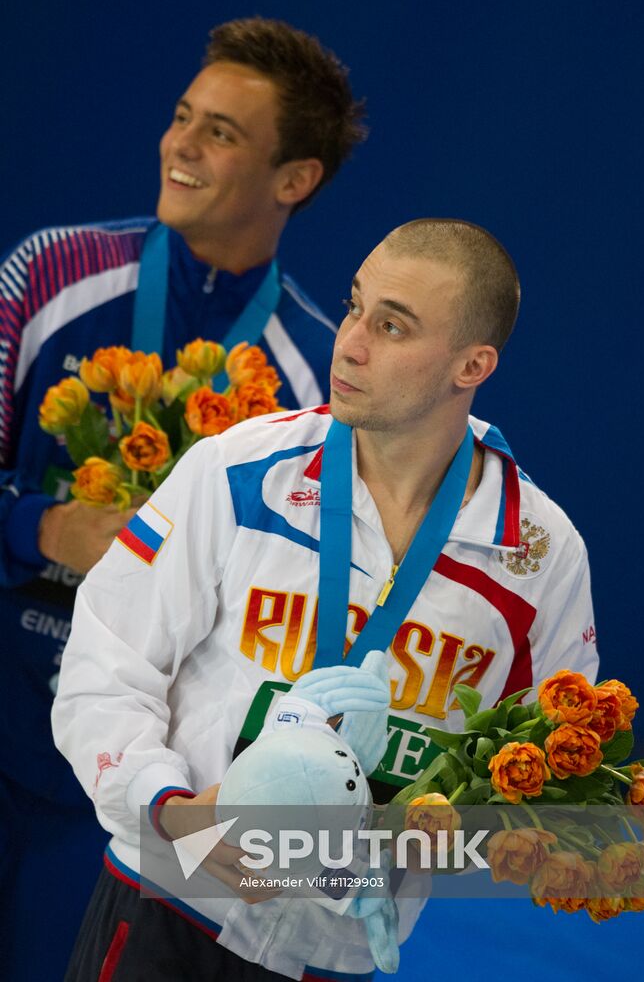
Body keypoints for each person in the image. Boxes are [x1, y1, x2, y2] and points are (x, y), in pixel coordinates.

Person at [53, 219, 599, 981]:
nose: (350, 342)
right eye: (353, 308)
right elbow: (103, 668)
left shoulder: (538, 554)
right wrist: (177, 815)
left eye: (392, 325)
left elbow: (537, 780)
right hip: (166, 910)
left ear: (472, 364)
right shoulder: (239, 472)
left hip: (334, 957)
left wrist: (453, 838)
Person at [0, 17, 366, 981]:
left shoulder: (313, 383)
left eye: (222, 133)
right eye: (181, 117)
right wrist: (36, 525)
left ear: (294, 179)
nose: (181, 146)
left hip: (124, 787)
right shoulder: (48, 277)